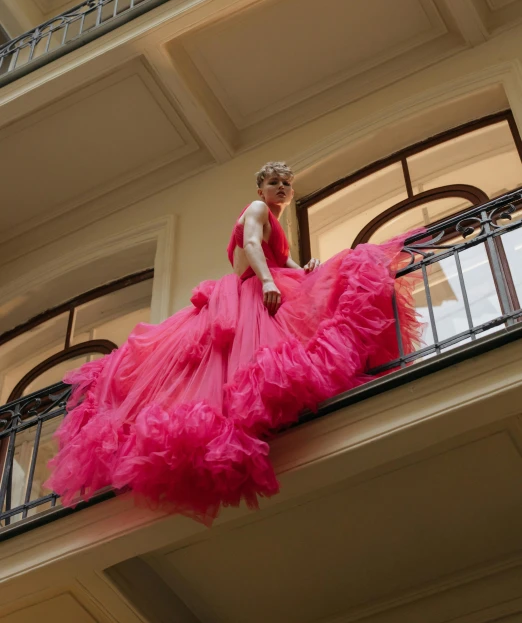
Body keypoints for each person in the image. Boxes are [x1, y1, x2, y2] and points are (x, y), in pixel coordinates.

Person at [46, 161, 421, 525]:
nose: (281, 188)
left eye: (286, 184)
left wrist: (300, 269)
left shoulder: (275, 219)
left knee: (280, 347)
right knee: (251, 357)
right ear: (260, 190)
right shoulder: (257, 208)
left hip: (260, 286)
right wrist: (271, 282)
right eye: (274, 182)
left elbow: (283, 258)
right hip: (248, 293)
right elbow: (253, 245)